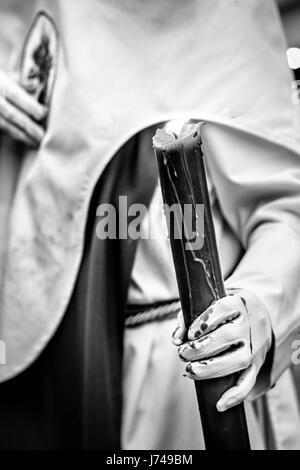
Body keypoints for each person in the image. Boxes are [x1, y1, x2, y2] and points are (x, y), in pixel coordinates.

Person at [0, 0, 300, 450]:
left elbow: (286, 207)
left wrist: (259, 302)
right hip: (47, 359)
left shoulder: (223, 16)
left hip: (181, 370)